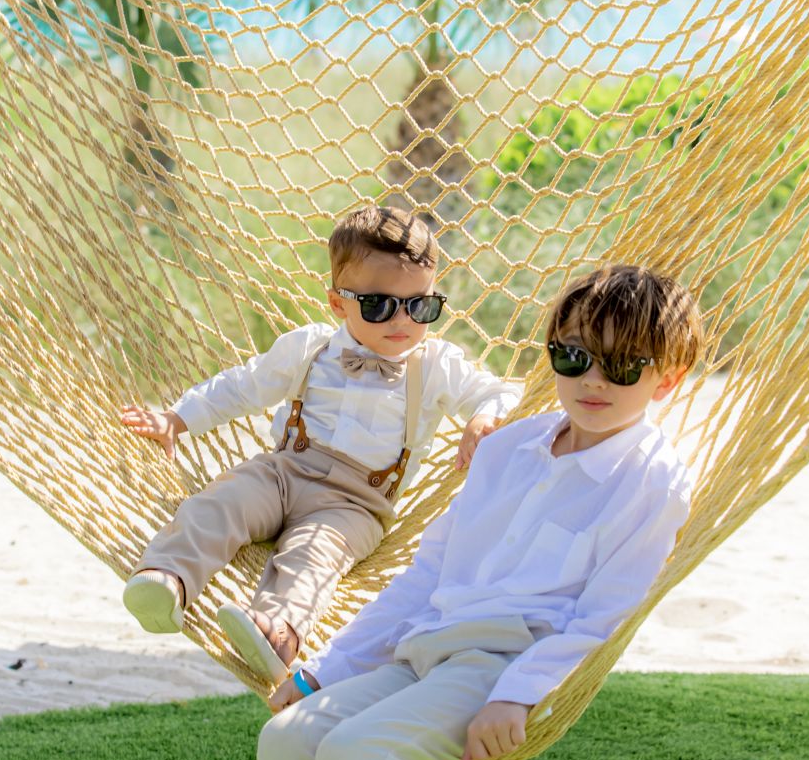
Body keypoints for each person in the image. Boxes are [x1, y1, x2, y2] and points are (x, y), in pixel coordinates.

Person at [257, 263, 703, 760]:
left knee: (358, 758)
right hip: (425, 648)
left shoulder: (652, 483)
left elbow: (601, 619)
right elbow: (427, 576)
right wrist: (325, 671)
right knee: (287, 741)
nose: (592, 381)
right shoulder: (508, 448)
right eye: (573, 357)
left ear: (666, 381)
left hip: (503, 664)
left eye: (621, 367)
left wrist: (517, 695)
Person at [119, 206, 520, 684]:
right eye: (378, 305)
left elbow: (501, 391)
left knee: (313, 557)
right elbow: (244, 386)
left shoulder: (435, 364)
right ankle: (167, 579)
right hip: (284, 470)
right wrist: (177, 418)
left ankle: (276, 633)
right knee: (221, 502)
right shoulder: (310, 347)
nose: (403, 321)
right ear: (338, 304)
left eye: (421, 306)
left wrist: (485, 416)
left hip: (355, 504)